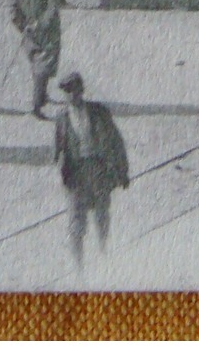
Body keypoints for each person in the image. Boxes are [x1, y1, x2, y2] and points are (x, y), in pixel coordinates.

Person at [53, 72, 130, 268]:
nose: (72, 96)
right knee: (76, 222)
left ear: (82, 91)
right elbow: (59, 148)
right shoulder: (62, 118)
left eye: (75, 91)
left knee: (102, 212)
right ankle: (78, 267)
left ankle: (103, 250)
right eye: (68, 93)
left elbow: (116, 141)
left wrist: (122, 171)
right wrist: (61, 171)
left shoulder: (99, 112)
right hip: (76, 174)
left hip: (98, 169)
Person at [11, 0, 65, 119]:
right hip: (47, 34)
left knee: (37, 64)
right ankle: (36, 105)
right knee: (42, 68)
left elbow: (13, 12)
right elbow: (52, 12)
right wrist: (39, 25)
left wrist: (24, 27)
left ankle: (42, 96)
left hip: (28, 34)